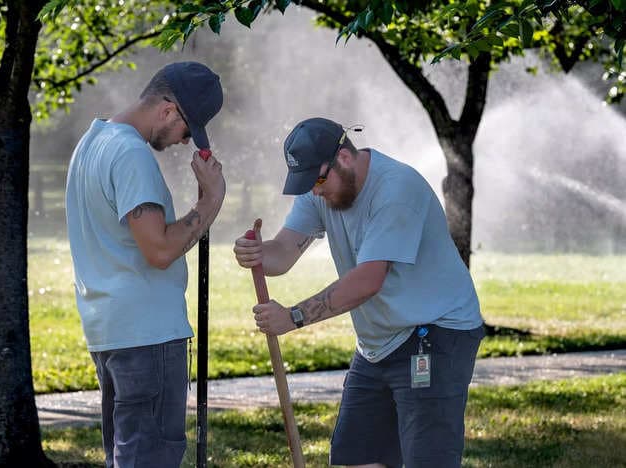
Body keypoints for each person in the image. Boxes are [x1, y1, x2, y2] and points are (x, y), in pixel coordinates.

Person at [233, 117, 485, 468]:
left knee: (427, 460)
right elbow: (284, 251)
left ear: (345, 158)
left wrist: (293, 317)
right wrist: (258, 254)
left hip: (437, 332)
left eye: (318, 180)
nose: (315, 191)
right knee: (356, 459)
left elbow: (368, 280)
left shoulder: (396, 190)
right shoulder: (318, 189)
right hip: (378, 343)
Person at [65, 61, 226, 468]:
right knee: (150, 457)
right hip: (147, 336)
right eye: (187, 131)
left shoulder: (91, 144)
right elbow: (158, 250)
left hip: (111, 333)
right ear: (169, 110)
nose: (182, 141)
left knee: (128, 454)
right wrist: (209, 202)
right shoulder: (131, 154)